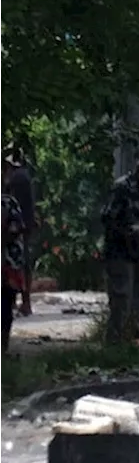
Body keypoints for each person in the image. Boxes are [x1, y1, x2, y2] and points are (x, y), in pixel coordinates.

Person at [102, 158, 139, 345]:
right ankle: (114, 343)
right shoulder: (122, 188)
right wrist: (126, 234)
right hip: (120, 253)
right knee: (122, 299)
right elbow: (108, 218)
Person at [2, 147, 36, 317]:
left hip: (15, 227)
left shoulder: (16, 178)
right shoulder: (24, 176)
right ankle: (23, 301)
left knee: (16, 263)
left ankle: (22, 301)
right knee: (21, 262)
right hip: (22, 225)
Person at [0, 187, 24, 354]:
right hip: (9, 265)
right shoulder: (9, 202)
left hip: (8, 265)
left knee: (5, 308)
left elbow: (15, 230)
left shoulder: (8, 202)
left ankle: (2, 348)